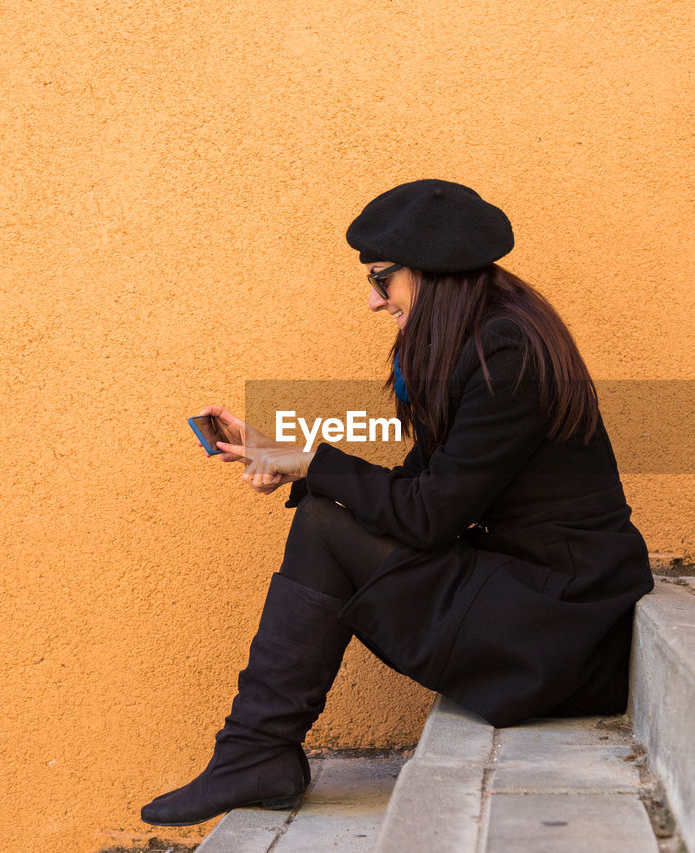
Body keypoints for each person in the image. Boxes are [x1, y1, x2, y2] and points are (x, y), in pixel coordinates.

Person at [140, 179, 654, 827]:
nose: (374, 301)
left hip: (569, 623)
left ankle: (255, 750)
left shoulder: (507, 353)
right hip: (538, 597)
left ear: (431, 270)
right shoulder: (480, 340)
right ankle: (255, 749)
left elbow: (428, 514)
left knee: (327, 523)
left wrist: (311, 463)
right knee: (330, 518)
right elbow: (420, 494)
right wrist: (293, 459)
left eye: (382, 280)